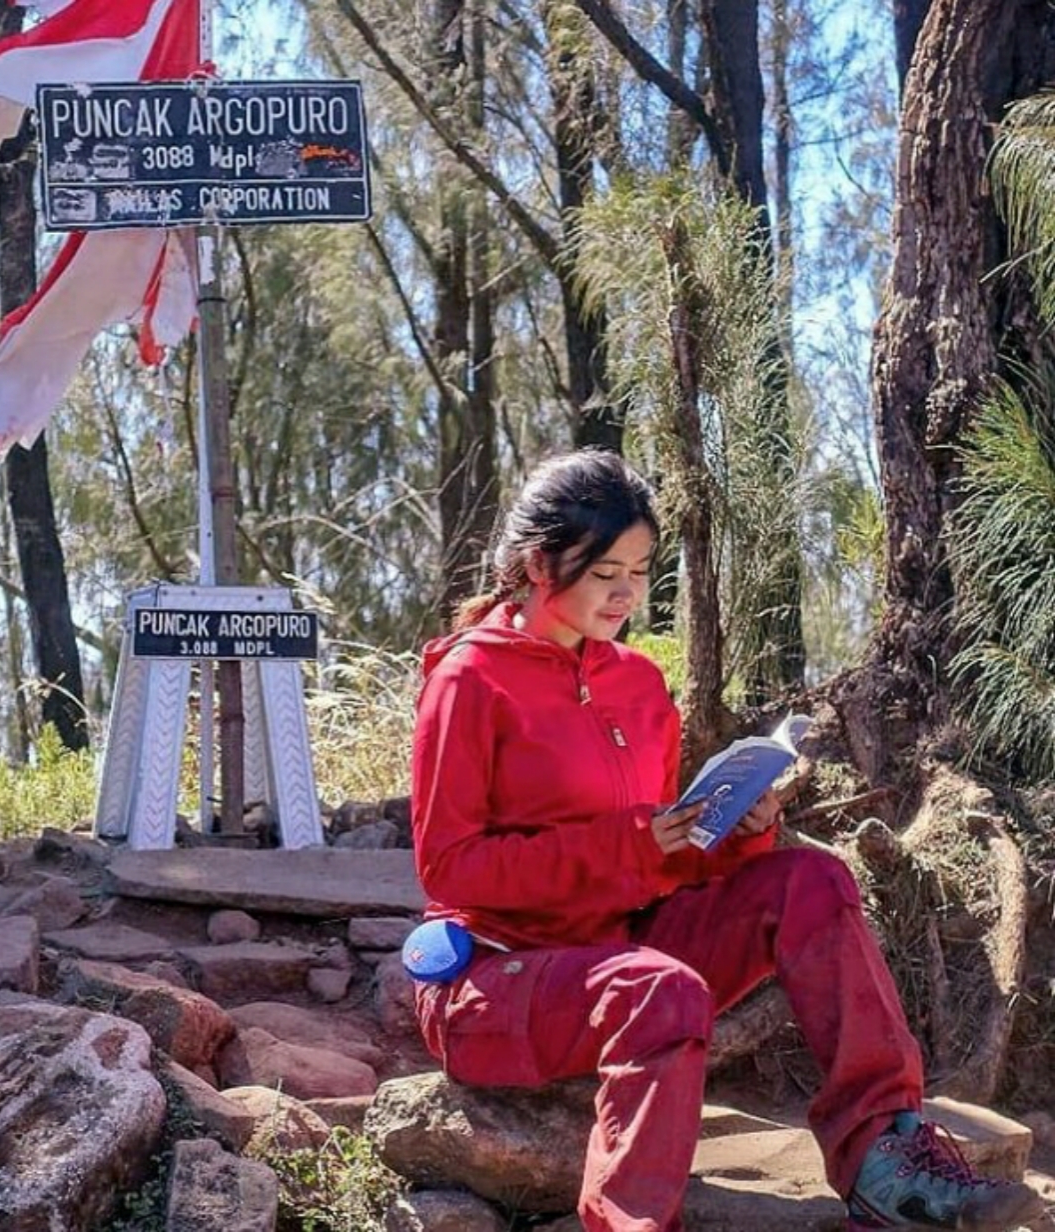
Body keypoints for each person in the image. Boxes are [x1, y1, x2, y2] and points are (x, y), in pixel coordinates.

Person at [408, 449, 1042, 1232]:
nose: (627, 593)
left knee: (811, 881)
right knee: (658, 988)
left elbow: (662, 856)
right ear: (539, 565)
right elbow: (451, 868)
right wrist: (632, 846)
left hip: (624, 943)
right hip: (500, 977)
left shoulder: (637, 684)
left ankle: (887, 1160)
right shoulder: (470, 680)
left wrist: (740, 831)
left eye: (639, 572)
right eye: (606, 572)